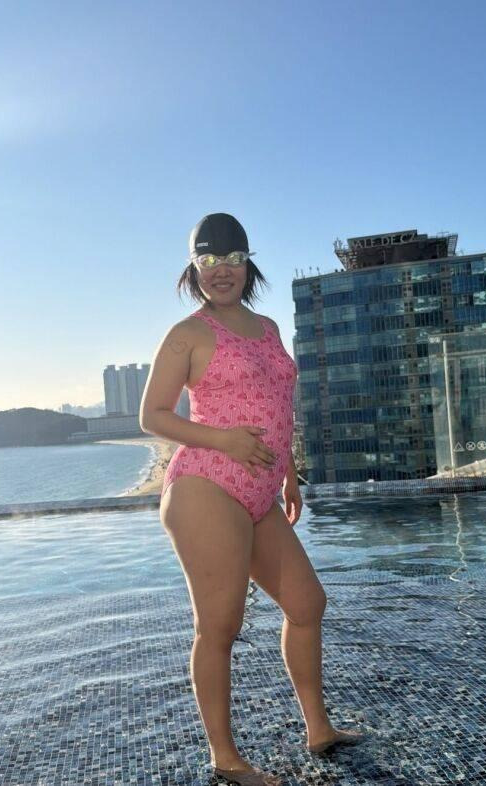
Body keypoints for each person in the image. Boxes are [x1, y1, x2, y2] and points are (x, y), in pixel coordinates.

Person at [140, 213, 363, 786]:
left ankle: (318, 729)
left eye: (232, 259)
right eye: (209, 260)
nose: (222, 270)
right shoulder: (188, 334)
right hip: (206, 486)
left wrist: (288, 472)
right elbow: (152, 416)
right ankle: (226, 758)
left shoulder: (267, 328)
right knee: (220, 625)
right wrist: (225, 440)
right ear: (194, 268)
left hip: (262, 489)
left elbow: (274, 404)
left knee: (307, 604)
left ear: (248, 263)